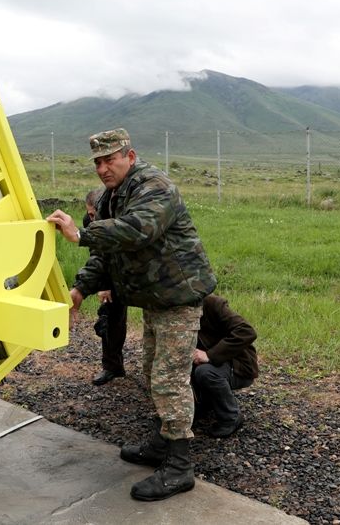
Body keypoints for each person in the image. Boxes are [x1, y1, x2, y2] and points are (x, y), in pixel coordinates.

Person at [47, 128, 216, 502]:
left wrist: (80, 233)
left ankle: (179, 466)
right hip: (156, 297)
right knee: (153, 370)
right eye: (98, 162)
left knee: (169, 379)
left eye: (111, 159)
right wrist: (79, 290)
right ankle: (162, 441)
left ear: (131, 156)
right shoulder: (111, 197)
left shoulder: (156, 186)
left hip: (178, 296)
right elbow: (106, 254)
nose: (104, 168)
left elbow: (138, 230)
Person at [192, 293, 258, 438]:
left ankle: (231, 417)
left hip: (238, 365)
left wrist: (209, 355)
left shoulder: (212, 303)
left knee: (205, 372)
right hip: (214, 363)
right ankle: (204, 404)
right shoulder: (175, 306)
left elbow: (247, 332)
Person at [83, 188, 128, 386]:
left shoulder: (122, 220)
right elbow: (98, 254)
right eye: (90, 214)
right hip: (112, 272)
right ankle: (112, 367)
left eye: (95, 214)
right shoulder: (90, 222)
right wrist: (104, 285)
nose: (91, 219)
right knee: (110, 317)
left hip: (138, 273)